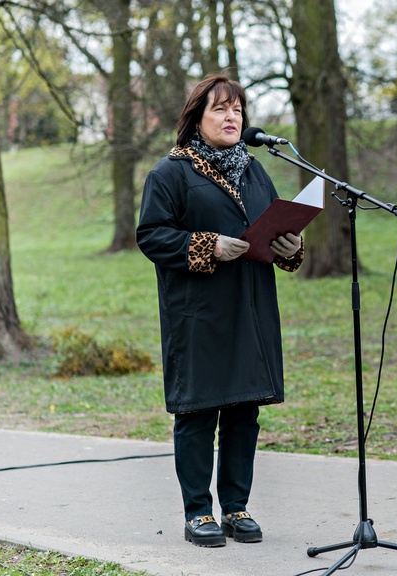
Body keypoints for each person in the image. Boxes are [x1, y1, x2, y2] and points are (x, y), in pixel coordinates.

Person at [137, 74, 304, 547]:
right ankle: (198, 512)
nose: (232, 118)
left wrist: (289, 245)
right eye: (221, 110)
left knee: (243, 411)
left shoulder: (254, 169)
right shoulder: (170, 173)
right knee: (199, 411)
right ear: (197, 117)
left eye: (238, 110)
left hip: (250, 307)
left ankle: (236, 507)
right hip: (199, 315)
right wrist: (208, 246)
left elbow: (272, 225)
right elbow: (151, 235)